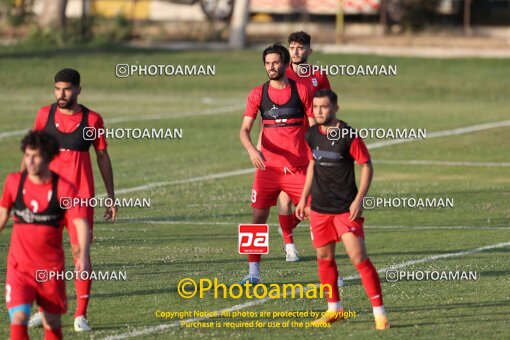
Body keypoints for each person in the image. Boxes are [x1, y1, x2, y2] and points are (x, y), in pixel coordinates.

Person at [23, 68, 116, 331]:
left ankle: (80, 315)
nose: (61, 94)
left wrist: (111, 197)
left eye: (66, 89)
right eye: (57, 89)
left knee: (80, 255)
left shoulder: (92, 120)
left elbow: (102, 158)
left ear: (77, 90)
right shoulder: (44, 115)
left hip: (80, 200)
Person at [295, 89, 389, 329]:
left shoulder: (349, 135)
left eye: (324, 107)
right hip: (319, 209)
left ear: (335, 108)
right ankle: (334, 309)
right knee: (324, 258)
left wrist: (359, 200)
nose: (319, 111)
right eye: (315, 107)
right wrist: (303, 199)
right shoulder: (312, 134)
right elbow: (312, 166)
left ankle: (380, 314)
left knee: (358, 258)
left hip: (345, 210)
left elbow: (367, 166)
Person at [0, 130, 91, 339]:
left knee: (52, 323)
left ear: (48, 157)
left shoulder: (64, 188)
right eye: (27, 155)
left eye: (36, 156)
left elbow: (80, 222)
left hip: (50, 271)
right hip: (19, 269)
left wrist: (83, 255)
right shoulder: (14, 182)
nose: (30, 161)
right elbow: (3, 212)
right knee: (18, 320)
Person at [239, 43, 314, 282]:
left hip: (297, 170)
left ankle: (330, 274)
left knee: (317, 216)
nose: (271, 67)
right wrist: (252, 149)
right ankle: (253, 274)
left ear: (284, 64)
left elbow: (314, 128)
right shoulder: (257, 94)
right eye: (267, 63)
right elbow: (244, 130)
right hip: (267, 170)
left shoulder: (301, 91)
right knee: (257, 219)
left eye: (276, 62)